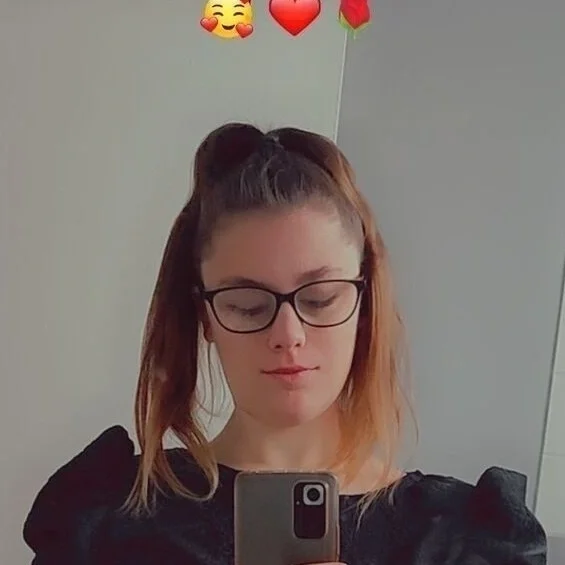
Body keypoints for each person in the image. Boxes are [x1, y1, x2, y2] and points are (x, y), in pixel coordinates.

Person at [23, 123, 547, 564]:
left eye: (320, 298)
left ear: (364, 303)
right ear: (205, 315)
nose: (288, 335)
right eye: (247, 305)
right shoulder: (109, 522)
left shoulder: (463, 540)